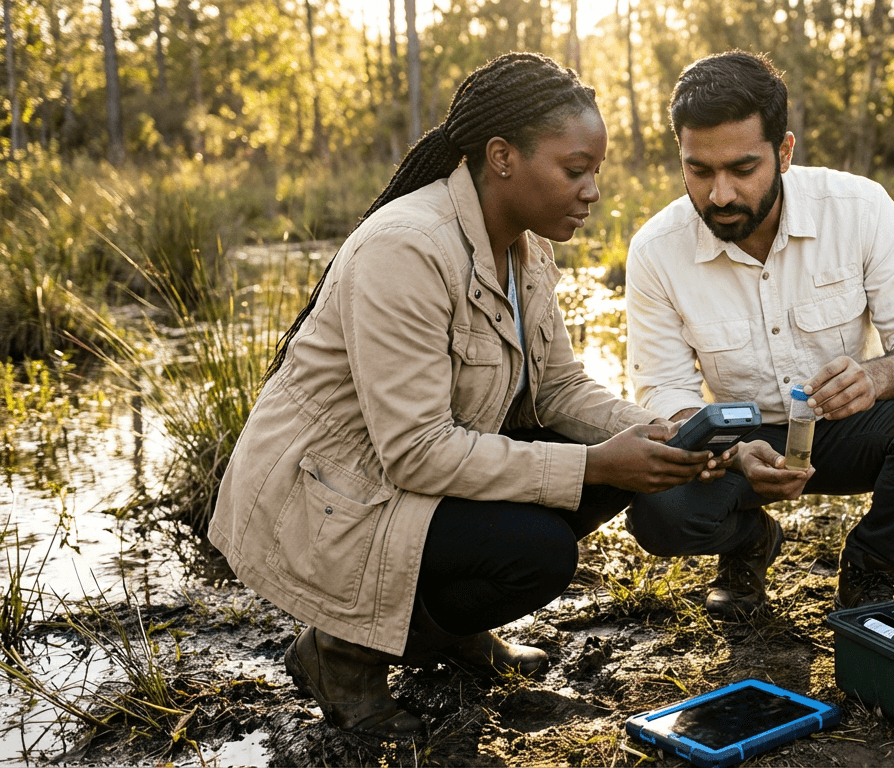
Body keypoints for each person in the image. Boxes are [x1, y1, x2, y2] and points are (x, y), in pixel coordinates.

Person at [208, 53, 731, 738]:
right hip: (336, 500)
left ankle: (454, 630)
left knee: (609, 465)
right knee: (540, 549)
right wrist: (596, 465)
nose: (592, 191)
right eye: (576, 170)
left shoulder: (525, 247)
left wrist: (663, 431)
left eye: (595, 171)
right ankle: (341, 653)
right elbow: (417, 453)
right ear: (502, 157)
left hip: (407, 480)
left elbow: (559, 388)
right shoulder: (407, 248)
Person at [624, 51, 894, 619]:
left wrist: (876, 375)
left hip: (847, 424)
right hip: (738, 441)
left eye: (742, 170)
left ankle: (871, 567)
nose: (719, 194)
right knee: (658, 511)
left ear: (784, 152)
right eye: (699, 170)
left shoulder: (859, 208)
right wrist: (734, 451)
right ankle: (748, 546)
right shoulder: (654, 251)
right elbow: (662, 393)